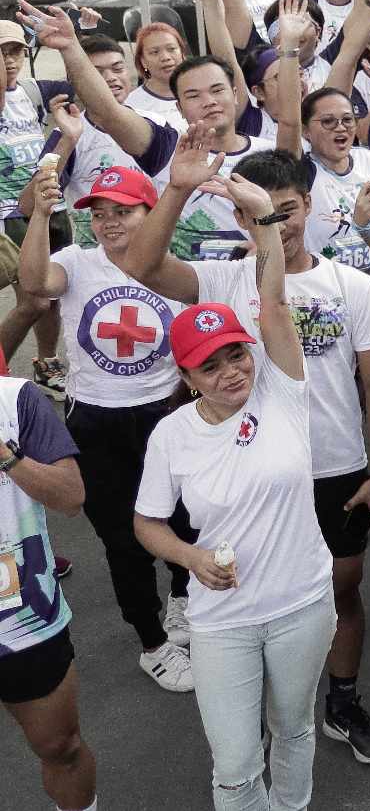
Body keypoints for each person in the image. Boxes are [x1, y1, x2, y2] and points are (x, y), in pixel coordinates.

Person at [126, 146, 370, 764]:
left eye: (287, 209)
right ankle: (253, 707)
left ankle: (341, 700)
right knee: (247, 589)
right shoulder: (221, 279)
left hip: (335, 466)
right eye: (258, 215)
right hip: (250, 473)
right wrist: (175, 188)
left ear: (309, 204)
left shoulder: (350, 286)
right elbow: (142, 265)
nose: (277, 223)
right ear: (240, 220)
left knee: (343, 586)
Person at [132, 173, 335, 811]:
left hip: (303, 602)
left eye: (237, 356)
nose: (231, 372)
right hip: (221, 620)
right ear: (187, 376)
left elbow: (272, 304)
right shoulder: (171, 435)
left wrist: (264, 222)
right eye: (210, 364)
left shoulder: (281, 391)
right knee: (237, 764)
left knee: (295, 728)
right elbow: (148, 524)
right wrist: (191, 561)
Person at [16, 150, 196, 694]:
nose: (109, 221)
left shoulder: (172, 265)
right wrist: (43, 217)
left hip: (168, 412)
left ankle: (184, 598)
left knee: (187, 515)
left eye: (123, 210)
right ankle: (152, 642)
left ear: (150, 214)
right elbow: (34, 283)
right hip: (96, 420)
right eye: (99, 212)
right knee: (123, 538)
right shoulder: (77, 260)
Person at [0, 334, 95, 811]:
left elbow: (71, 498)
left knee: (62, 747)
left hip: (22, 619)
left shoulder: (16, 399)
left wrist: (7, 455)